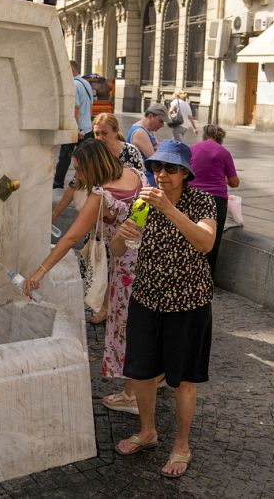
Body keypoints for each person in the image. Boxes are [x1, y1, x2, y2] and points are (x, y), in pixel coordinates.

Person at [111, 140, 216, 480]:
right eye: (157, 167)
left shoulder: (201, 201)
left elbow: (205, 242)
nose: (162, 175)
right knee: (141, 372)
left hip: (187, 303)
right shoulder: (143, 202)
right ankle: (147, 431)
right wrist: (121, 235)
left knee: (182, 380)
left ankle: (182, 445)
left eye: (170, 168)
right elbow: (119, 248)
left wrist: (169, 208)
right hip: (146, 299)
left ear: (185, 173)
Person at [24, 140, 141, 333]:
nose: (76, 175)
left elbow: (70, 238)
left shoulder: (101, 196)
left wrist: (40, 272)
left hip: (125, 266)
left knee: (123, 328)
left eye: (79, 169)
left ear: (93, 166)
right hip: (147, 257)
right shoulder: (135, 174)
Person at [51, 113, 146, 325]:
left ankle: (111, 310)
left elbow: (142, 194)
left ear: (116, 132)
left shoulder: (130, 154)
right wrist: (55, 213)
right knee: (99, 264)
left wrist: (136, 224)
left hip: (127, 233)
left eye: (105, 133)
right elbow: (74, 184)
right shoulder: (91, 154)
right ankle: (104, 306)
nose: (100, 137)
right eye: (96, 133)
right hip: (100, 225)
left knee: (121, 276)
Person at [189, 125, 240, 279]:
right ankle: (206, 279)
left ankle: (188, 275)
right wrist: (223, 177)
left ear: (204, 135)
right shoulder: (223, 152)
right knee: (212, 241)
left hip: (193, 196)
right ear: (220, 138)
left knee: (190, 236)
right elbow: (235, 182)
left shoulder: (192, 149)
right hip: (216, 200)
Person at [54, 60, 94, 189]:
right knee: (85, 159)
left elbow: (75, 109)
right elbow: (90, 105)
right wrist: (88, 123)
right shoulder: (86, 83)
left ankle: (58, 184)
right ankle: (84, 183)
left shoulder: (74, 85)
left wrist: (75, 128)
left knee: (64, 158)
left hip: (76, 129)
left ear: (71, 70)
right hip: (87, 128)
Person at [125, 103, 167, 186]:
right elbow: (156, 159)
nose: (162, 125)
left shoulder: (147, 130)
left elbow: (159, 147)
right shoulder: (140, 132)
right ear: (150, 116)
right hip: (145, 180)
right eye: (160, 121)